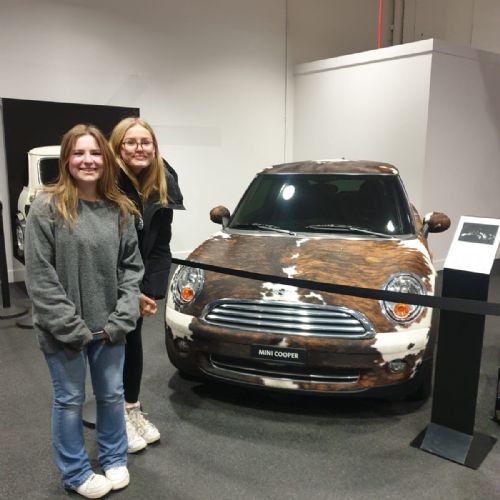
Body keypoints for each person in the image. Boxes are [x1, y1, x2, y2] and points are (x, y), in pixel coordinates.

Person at [24, 124, 144, 498]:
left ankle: (113, 456)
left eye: (95, 153)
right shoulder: (46, 208)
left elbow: (132, 269)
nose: (87, 160)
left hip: (110, 329)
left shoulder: (120, 210)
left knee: (111, 396)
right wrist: (71, 327)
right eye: (79, 153)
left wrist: (121, 319)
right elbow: (40, 276)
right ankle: (75, 473)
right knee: (69, 401)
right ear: (66, 159)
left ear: (105, 160)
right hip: (63, 331)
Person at [109, 117, 184, 453]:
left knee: (132, 341)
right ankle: (116, 417)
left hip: (138, 278)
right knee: (111, 346)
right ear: (118, 147)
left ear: (154, 147)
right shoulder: (107, 182)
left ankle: (131, 408)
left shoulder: (163, 182)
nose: (139, 148)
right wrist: (129, 290)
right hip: (107, 277)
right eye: (131, 142)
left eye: (145, 142)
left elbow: (160, 244)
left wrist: (151, 290)